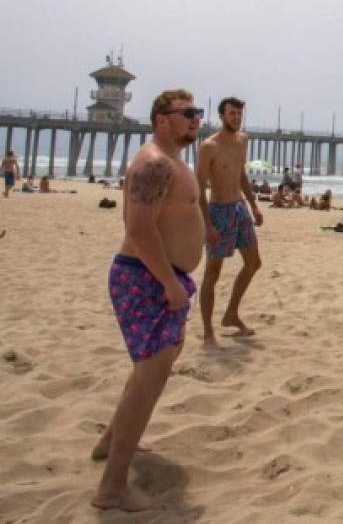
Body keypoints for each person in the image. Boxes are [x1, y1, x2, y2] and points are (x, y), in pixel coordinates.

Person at [91, 89, 204, 511]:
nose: (196, 119)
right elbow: (138, 228)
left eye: (197, 112)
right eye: (187, 113)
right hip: (147, 278)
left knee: (149, 368)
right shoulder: (154, 163)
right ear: (162, 119)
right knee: (150, 378)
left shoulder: (171, 159)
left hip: (160, 276)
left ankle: (109, 441)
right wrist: (169, 284)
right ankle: (112, 488)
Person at [196, 97, 263, 348]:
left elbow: (241, 173)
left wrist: (254, 204)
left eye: (239, 114)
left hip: (239, 209)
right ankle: (207, 333)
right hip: (218, 211)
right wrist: (207, 224)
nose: (236, 117)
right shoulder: (209, 147)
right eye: (232, 113)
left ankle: (231, 313)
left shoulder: (242, 140)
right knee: (212, 272)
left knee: (254, 263)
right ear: (222, 115)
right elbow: (199, 186)